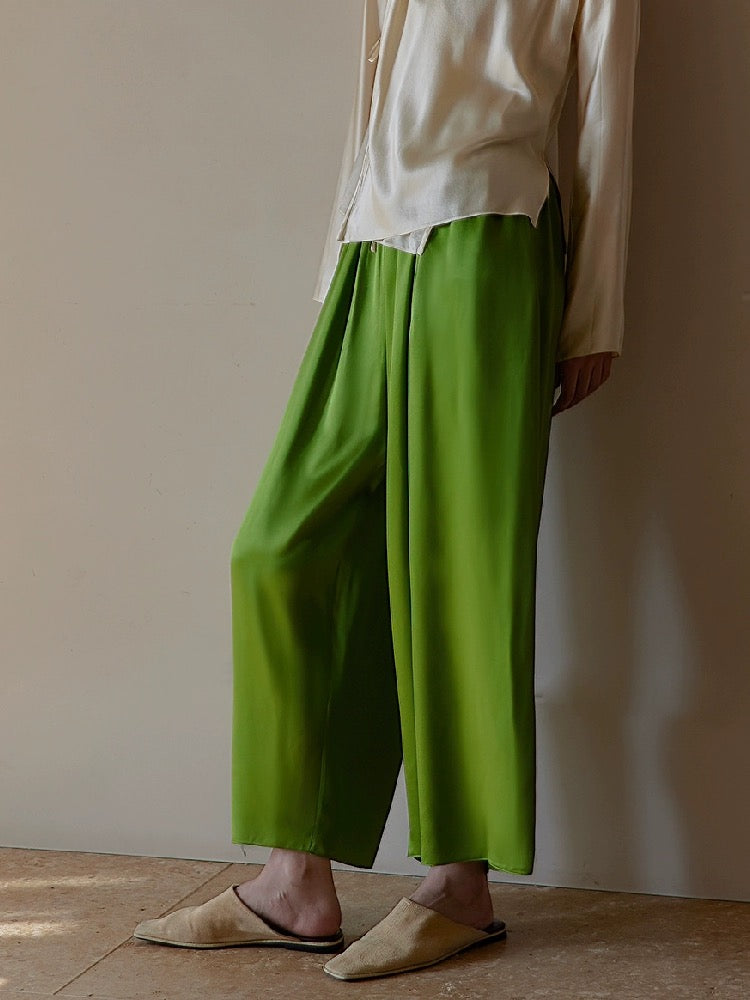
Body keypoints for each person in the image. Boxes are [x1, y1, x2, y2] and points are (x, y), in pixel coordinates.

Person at [132, 0, 641, 982]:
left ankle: (461, 886)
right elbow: (377, 89)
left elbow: (604, 109)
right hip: (376, 245)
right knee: (280, 549)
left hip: (493, 232)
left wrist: (594, 313)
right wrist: (340, 256)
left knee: (463, 563)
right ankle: (295, 883)